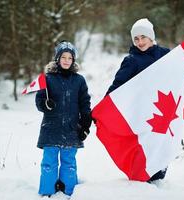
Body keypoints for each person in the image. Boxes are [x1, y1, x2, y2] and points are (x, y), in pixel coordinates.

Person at [106, 18, 170, 182]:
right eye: (136, 39)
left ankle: (159, 180)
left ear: (151, 37)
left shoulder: (166, 55)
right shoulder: (131, 60)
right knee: (144, 148)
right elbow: (117, 85)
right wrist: (105, 107)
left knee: (160, 147)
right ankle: (142, 181)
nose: (140, 42)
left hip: (163, 111)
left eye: (143, 37)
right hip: (141, 113)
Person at [35, 41, 92, 197]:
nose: (66, 60)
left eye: (70, 58)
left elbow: (84, 102)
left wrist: (86, 122)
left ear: (73, 60)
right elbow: (39, 101)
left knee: (69, 163)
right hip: (51, 128)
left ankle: (69, 191)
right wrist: (45, 104)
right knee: (49, 163)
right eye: (63, 57)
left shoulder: (79, 80)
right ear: (57, 58)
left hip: (71, 129)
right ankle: (47, 191)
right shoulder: (47, 78)